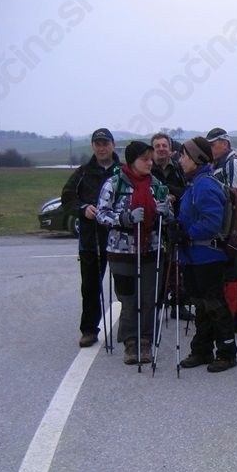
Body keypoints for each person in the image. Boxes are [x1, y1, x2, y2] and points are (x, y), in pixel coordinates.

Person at [95, 141, 172, 364]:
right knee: (128, 298)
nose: (149, 163)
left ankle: (145, 341)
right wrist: (125, 218)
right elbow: (101, 214)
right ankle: (130, 341)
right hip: (121, 252)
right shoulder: (114, 184)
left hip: (151, 250)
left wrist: (165, 213)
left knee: (149, 298)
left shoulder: (156, 185)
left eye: (150, 159)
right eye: (144, 159)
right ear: (132, 161)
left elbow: (169, 215)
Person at [171, 136, 237, 372]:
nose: (180, 160)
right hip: (195, 255)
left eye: (183, 156)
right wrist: (178, 227)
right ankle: (202, 349)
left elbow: (211, 221)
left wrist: (186, 234)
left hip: (207, 256)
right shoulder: (195, 183)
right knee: (202, 305)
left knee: (214, 305)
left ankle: (227, 352)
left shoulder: (204, 185)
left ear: (196, 158)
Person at [61, 128, 121, 347]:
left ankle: (129, 329)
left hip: (119, 239)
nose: (102, 148)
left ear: (113, 145)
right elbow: (67, 198)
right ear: (93, 146)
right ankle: (88, 329)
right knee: (90, 287)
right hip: (91, 240)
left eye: (105, 143)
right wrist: (83, 208)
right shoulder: (83, 172)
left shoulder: (123, 172)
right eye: (98, 144)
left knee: (125, 286)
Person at [206, 127, 237, 334]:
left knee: (232, 274)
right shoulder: (220, 163)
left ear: (224, 144)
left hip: (235, 229)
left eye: (213, 144)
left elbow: (235, 198)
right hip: (230, 228)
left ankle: (235, 317)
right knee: (235, 272)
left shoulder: (233, 163)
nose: (210, 148)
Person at [151, 132, 193, 321]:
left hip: (176, 223)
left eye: (164, 146)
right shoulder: (148, 169)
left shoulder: (178, 169)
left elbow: (188, 190)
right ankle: (156, 304)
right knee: (157, 266)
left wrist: (171, 193)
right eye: (157, 146)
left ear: (170, 149)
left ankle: (179, 304)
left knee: (178, 266)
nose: (161, 149)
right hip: (153, 225)